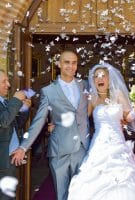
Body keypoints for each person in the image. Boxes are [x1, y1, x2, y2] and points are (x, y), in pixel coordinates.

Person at [67, 63, 135, 200]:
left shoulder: (118, 94)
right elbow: (81, 118)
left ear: (109, 79)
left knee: (124, 177)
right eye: (96, 76)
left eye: (103, 76)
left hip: (118, 143)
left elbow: (127, 118)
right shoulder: (92, 98)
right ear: (93, 80)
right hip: (99, 145)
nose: (100, 79)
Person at [11, 49, 90, 200]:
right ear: (58, 64)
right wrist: (23, 146)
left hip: (82, 147)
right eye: (67, 62)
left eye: (74, 63)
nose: (71, 66)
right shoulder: (48, 91)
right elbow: (39, 120)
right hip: (59, 149)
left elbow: (95, 105)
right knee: (62, 195)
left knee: (81, 194)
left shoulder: (85, 86)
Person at [0, 69, 30, 200]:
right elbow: (2, 122)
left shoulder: (4, 101)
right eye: (4, 81)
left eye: (8, 80)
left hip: (9, 159)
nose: (9, 85)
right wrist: (17, 99)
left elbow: (16, 124)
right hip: (0, 161)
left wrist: (24, 109)